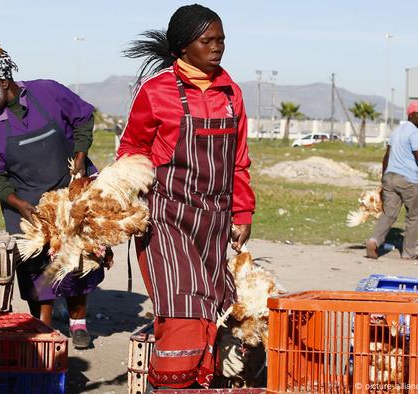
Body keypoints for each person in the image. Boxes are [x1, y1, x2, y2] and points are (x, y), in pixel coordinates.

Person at [118, 4, 255, 389]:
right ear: (182, 47)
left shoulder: (232, 94)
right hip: (166, 218)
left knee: (214, 305)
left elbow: (239, 161)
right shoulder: (156, 91)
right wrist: (126, 194)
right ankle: (171, 385)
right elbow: (132, 149)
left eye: (221, 40)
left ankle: (199, 381)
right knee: (183, 310)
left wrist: (242, 212)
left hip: (213, 220)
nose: (217, 48)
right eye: (206, 40)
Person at [0, 44, 109, 349]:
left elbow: (83, 117)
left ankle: (77, 322)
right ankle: (43, 328)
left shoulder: (47, 93)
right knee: (36, 268)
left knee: (78, 259)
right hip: (25, 201)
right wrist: (19, 204)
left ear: (4, 83)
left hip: (67, 188)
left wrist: (80, 154)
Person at [366, 102, 418, 260]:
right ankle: (408, 253)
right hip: (408, 180)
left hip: (390, 177)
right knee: (413, 217)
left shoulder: (397, 131)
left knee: (389, 214)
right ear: (410, 115)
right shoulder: (414, 133)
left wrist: (384, 178)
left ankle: (374, 241)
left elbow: (386, 156)